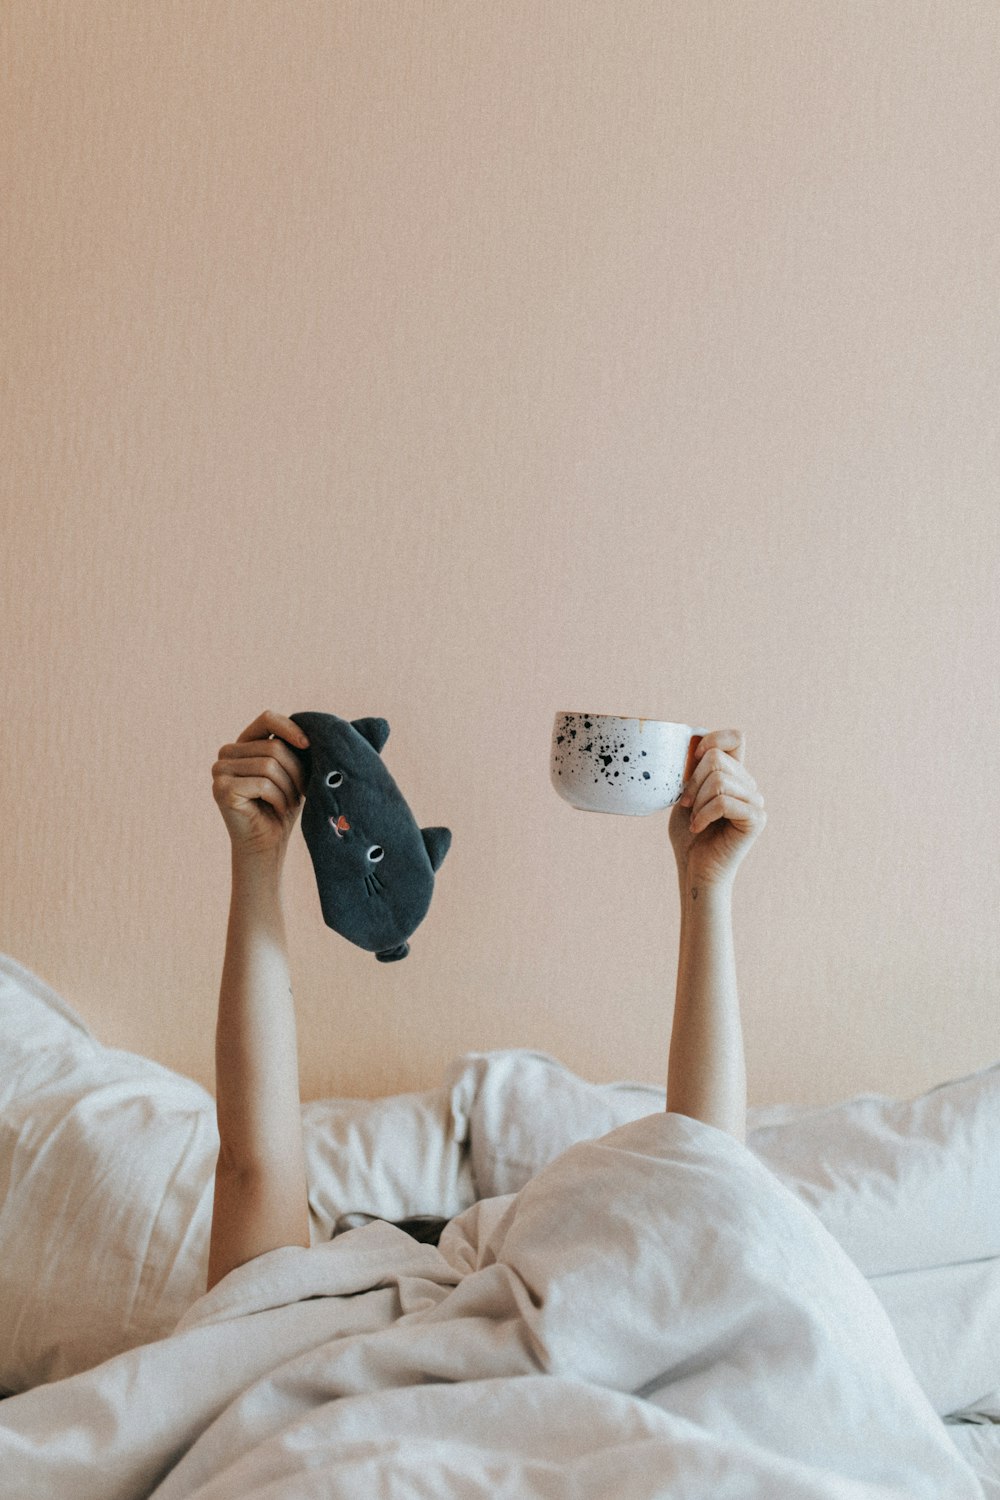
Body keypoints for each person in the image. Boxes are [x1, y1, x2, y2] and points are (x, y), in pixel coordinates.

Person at [206, 710, 767, 1294]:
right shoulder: (334, 1310)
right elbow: (708, 1177)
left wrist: (706, 877)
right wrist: (705, 886)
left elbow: (707, 1180)